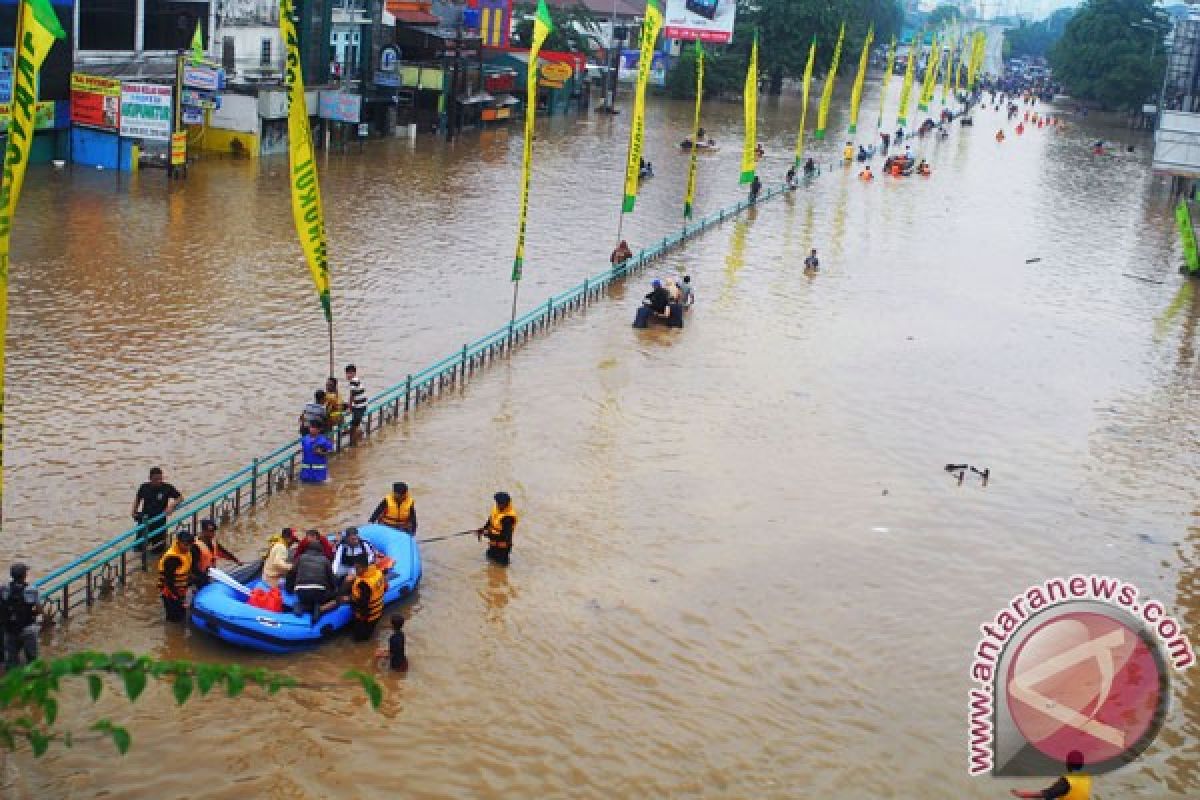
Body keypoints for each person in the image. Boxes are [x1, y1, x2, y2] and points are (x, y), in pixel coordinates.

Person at [289, 531, 337, 623]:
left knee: (307, 596)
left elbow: (291, 573)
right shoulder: (325, 560)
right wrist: (335, 590)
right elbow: (331, 578)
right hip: (318, 593)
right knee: (333, 597)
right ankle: (317, 607)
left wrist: (289, 588)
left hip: (301, 593)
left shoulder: (300, 558)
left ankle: (303, 605)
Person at [132, 467, 183, 551]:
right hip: (145, 520)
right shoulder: (144, 487)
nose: (159, 481)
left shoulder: (167, 487)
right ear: (150, 478)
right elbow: (138, 498)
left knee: (158, 549)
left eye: (160, 478)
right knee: (138, 548)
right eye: (156, 479)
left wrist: (171, 506)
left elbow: (180, 497)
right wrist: (134, 511)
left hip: (159, 522)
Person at [1, 563, 40, 669]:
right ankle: (31, 679)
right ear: (24, 575)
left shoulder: (4, 588)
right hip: (28, 628)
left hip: (10, 629)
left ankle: (13, 680)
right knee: (32, 659)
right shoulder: (31, 590)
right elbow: (39, 610)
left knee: (12, 659)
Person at [1009, 750, 1090, 799]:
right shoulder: (1086, 778)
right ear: (1082, 764)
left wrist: (1023, 795)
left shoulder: (1066, 781)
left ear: (1067, 764)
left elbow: (1047, 794)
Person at [157, 530, 195, 622]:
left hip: (180, 591)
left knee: (181, 616)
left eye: (190, 545)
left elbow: (185, 571)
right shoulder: (172, 558)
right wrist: (178, 599)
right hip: (171, 593)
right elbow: (168, 581)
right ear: (178, 542)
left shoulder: (186, 553)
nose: (188, 547)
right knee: (174, 620)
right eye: (185, 545)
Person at [348, 556, 388, 642]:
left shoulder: (364, 584)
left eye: (358, 568)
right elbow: (385, 587)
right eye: (355, 568)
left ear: (365, 567)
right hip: (378, 612)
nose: (356, 571)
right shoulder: (378, 572)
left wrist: (350, 599)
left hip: (367, 617)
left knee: (359, 640)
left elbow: (363, 605)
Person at [193, 519, 242, 586]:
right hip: (201, 577)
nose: (213, 533)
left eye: (214, 531)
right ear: (203, 531)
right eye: (210, 531)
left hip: (212, 574)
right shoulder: (195, 546)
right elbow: (193, 567)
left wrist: (236, 560)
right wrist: (201, 577)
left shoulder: (213, 542)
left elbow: (224, 553)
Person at [477, 491, 518, 566]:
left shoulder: (508, 518)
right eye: (497, 503)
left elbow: (505, 536)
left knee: (501, 566)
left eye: (500, 503)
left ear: (506, 504)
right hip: (493, 542)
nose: (498, 505)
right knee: (489, 559)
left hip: (502, 547)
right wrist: (483, 529)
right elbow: (490, 521)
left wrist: (487, 534)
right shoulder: (496, 509)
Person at [345, 364, 368, 446]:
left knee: (354, 427)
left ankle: (353, 444)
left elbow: (352, 396)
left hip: (359, 407)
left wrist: (349, 407)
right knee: (355, 424)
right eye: (347, 373)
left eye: (349, 373)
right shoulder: (356, 380)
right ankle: (355, 438)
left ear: (354, 373)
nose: (348, 375)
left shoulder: (353, 381)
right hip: (361, 405)